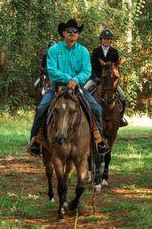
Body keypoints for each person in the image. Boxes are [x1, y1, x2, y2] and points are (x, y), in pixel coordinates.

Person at [27, 19, 110, 156]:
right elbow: (51, 70)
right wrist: (68, 79)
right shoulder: (54, 50)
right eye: (69, 31)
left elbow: (87, 70)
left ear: (78, 34)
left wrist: (76, 80)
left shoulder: (83, 51)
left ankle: (98, 140)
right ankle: (36, 140)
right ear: (64, 33)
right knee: (42, 108)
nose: (72, 33)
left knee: (96, 108)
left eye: (75, 31)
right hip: (58, 86)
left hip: (78, 87)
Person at [84, 29, 128, 127]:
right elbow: (92, 67)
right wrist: (96, 78)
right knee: (84, 92)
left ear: (111, 40)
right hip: (96, 79)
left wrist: (114, 79)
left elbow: (117, 68)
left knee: (122, 96)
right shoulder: (96, 52)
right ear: (101, 40)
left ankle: (121, 118)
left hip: (110, 81)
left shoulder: (115, 52)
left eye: (108, 39)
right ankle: (84, 116)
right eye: (104, 39)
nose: (106, 41)